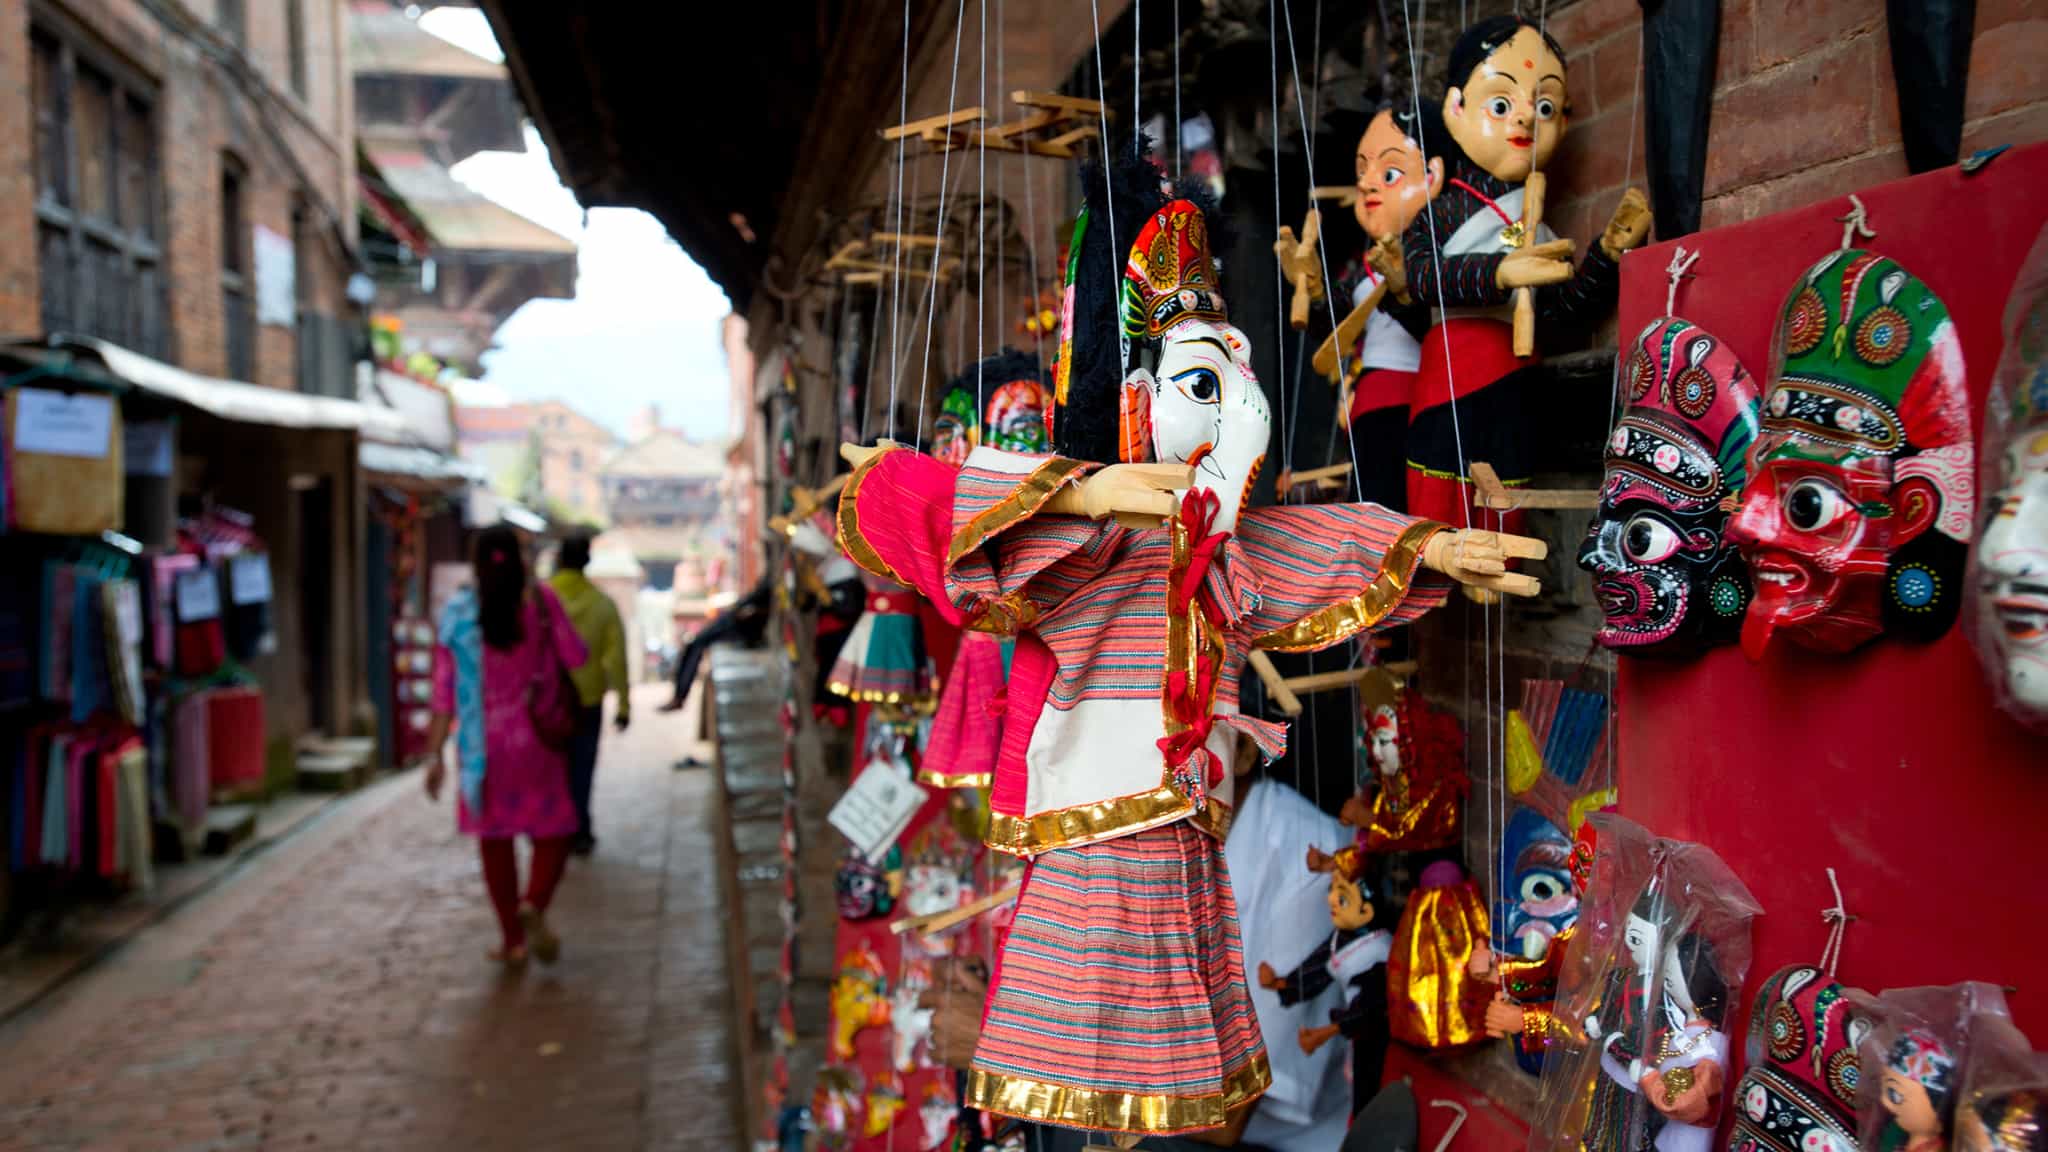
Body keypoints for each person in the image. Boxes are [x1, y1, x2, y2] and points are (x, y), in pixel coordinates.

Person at [416, 524, 588, 966]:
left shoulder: (457, 613)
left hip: (481, 751)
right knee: (554, 831)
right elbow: (578, 656)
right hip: (537, 741)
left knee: (495, 842)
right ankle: (534, 902)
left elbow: (443, 694)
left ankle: (512, 940)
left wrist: (434, 755)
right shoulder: (541, 603)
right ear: (520, 558)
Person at [547, 534, 630, 855]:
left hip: (547, 701)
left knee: (553, 767)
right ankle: (579, 827)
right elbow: (616, 658)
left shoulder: (540, 599)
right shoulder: (602, 604)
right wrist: (624, 705)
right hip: (587, 699)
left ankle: (554, 829)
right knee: (582, 767)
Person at [657, 576, 772, 713]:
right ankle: (679, 695)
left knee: (696, 644)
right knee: (694, 644)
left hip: (736, 623)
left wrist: (741, 611)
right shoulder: (766, 584)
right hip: (733, 619)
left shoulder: (766, 590)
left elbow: (755, 607)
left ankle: (679, 696)